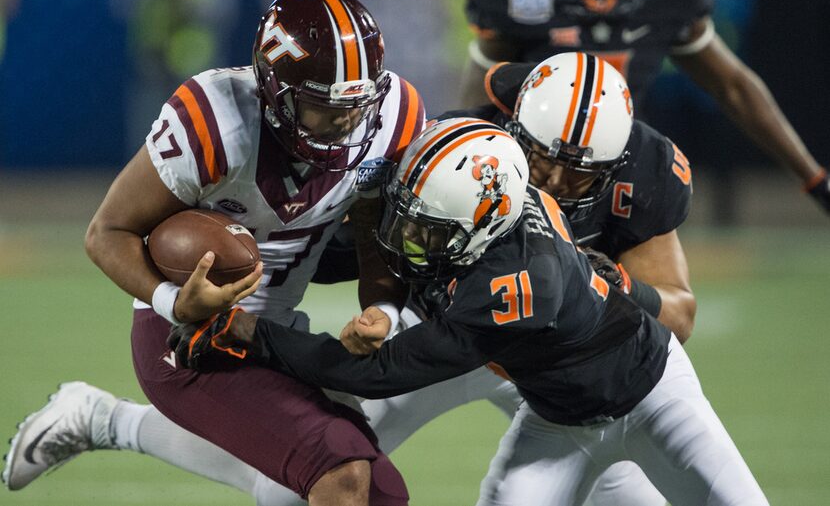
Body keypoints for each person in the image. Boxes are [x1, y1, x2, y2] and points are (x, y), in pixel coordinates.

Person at [167, 117, 770, 506]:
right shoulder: (480, 194)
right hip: (556, 417)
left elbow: (370, 372)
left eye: (427, 229)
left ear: (480, 230)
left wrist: (249, 329)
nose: (406, 234)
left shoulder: (515, 285)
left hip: (654, 399)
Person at [3, 0, 426, 506]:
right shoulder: (215, 120)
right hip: (187, 337)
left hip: (277, 333)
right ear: (277, 91)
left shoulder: (393, 116)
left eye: (357, 105)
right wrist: (173, 301)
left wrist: (381, 307)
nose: (346, 123)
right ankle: (106, 419)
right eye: (323, 106)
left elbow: (372, 232)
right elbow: (106, 232)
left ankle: (102, 419)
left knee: (379, 495)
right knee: (339, 473)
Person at [310, 52, 695, 506]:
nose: (552, 178)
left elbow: (679, 316)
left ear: (613, 165)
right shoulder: (462, 144)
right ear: (513, 126)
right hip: (440, 331)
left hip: (547, 363)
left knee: (629, 499)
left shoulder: (645, 169)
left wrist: (621, 284)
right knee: (314, 471)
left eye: (577, 172)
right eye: (540, 156)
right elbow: (372, 243)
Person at [459, 0, 830, 214]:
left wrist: (814, 178)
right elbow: (478, 104)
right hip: (533, 175)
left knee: (666, 309)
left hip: (618, 170)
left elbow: (733, 86)